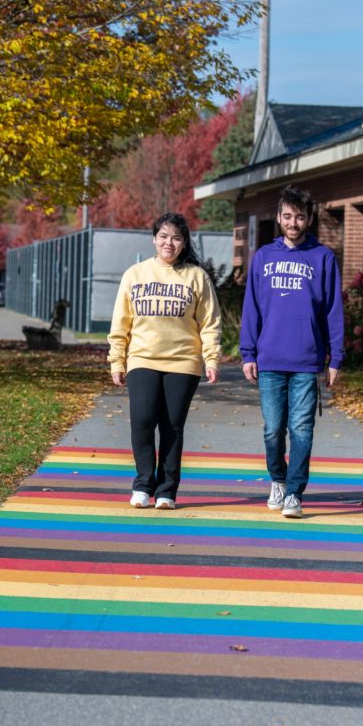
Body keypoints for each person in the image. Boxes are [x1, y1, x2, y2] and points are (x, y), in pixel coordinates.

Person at [240, 184, 344, 519]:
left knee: (302, 429)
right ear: (279, 217)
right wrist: (248, 353)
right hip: (270, 358)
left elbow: (333, 311)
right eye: (287, 216)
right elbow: (251, 308)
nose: (293, 222)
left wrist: (335, 358)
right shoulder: (263, 257)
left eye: (300, 217)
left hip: (307, 361)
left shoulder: (323, 258)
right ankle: (277, 480)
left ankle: (295, 493)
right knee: (273, 428)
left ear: (309, 218)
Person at [107, 212, 221, 510]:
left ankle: (167, 489)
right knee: (143, 421)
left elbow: (210, 323)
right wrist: (116, 361)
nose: (169, 243)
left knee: (172, 426)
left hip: (182, 362)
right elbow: (121, 323)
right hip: (142, 358)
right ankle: (143, 484)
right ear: (154, 239)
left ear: (184, 243)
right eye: (164, 236)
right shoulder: (135, 274)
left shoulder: (197, 277)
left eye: (176, 237)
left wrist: (211, 358)